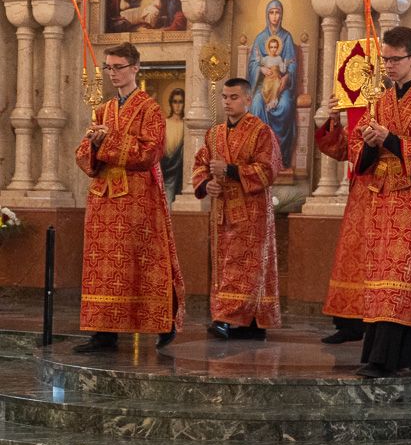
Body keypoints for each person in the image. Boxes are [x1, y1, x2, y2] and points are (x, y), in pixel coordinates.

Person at [350, 26, 411, 378]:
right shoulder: (379, 102)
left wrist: (390, 139)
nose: (389, 65)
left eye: (395, 59)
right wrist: (368, 142)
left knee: (401, 274)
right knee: (382, 276)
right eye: (386, 59)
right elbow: (357, 147)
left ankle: (383, 360)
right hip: (381, 199)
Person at [73, 42, 185, 353]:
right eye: (109, 67)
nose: (113, 73)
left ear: (135, 68)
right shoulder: (103, 109)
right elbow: (82, 153)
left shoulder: (151, 109)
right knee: (103, 267)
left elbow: (150, 153)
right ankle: (103, 333)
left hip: (138, 199)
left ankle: (163, 322)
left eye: (118, 67)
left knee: (144, 261)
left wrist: (108, 141)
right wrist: (94, 145)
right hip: (103, 200)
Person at [192, 77, 282, 340]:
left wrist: (230, 170)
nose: (228, 102)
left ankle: (229, 319)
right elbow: (201, 164)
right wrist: (207, 184)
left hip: (251, 213)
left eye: (234, 97)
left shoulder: (261, 132)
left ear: (247, 100)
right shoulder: (214, 134)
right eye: (224, 97)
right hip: (222, 212)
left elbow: (268, 170)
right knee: (224, 266)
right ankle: (238, 320)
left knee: (246, 267)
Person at [314, 89, 366, 345]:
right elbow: (341, 149)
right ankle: (349, 324)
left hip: (388, 194)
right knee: (350, 258)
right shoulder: (360, 114)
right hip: (360, 194)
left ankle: (373, 325)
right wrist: (334, 119)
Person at [248, 0, 298, 169]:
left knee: (285, 106)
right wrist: (260, 69)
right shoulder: (260, 38)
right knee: (256, 104)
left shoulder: (287, 38)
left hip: (281, 85)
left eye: (277, 12)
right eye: (271, 12)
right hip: (263, 85)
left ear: (281, 15)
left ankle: (279, 156)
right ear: (267, 15)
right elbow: (253, 63)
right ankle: (260, 156)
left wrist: (287, 77)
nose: (274, 16)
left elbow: (291, 63)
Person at [160, 87, 185, 204]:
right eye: (175, 102)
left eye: (180, 102)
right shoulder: (165, 123)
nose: (178, 106)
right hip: (165, 166)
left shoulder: (186, 125)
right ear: (171, 103)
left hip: (179, 169)